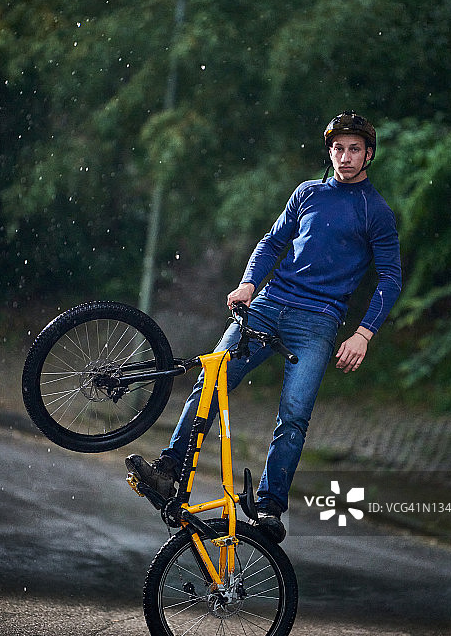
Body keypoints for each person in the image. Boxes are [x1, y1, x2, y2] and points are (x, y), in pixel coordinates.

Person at [126, 111, 402, 542]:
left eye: (354, 149)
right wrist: (247, 284)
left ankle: (271, 506)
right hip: (270, 303)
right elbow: (272, 242)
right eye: (338, 148)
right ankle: (168, 471)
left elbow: (390, 277)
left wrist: (364, 333)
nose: (345, 157)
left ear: (369, 154)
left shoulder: (376, 212)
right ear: (329, 152)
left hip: (319, 322)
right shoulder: (308, 193)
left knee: (293, 415)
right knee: (210, 380)